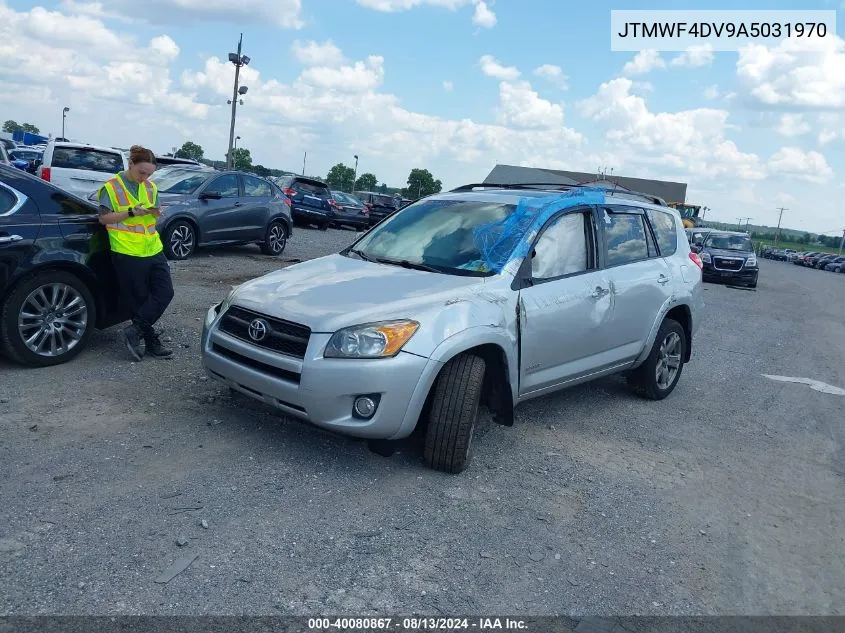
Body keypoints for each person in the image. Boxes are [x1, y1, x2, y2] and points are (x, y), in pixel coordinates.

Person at [97, 145, 174, 361]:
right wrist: (131, 212)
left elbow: (153, 215)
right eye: (142, 172)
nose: (145, 177)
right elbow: (103, 219)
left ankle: (134, 331)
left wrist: (156, 212)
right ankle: (150, 342)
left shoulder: (150, 187)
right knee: (139, 299)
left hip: (152, 248)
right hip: (127, 250)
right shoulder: (111, 187)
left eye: (149, 174)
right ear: (130, 164)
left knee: (165, 292)